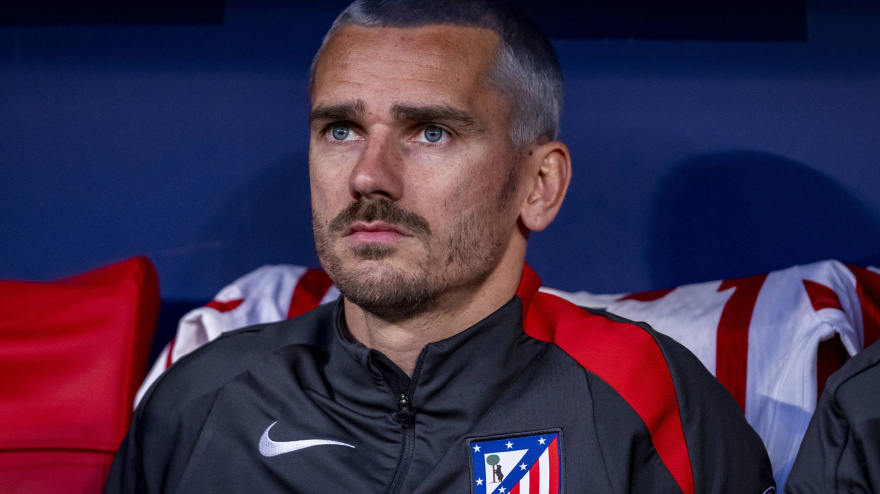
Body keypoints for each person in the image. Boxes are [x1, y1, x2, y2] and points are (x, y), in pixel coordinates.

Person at [105, 1, 775, 492]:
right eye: (340, 130)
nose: (369, 175)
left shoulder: (645, 397)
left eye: (430, 132)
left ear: (539, 185)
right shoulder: (201, 403)